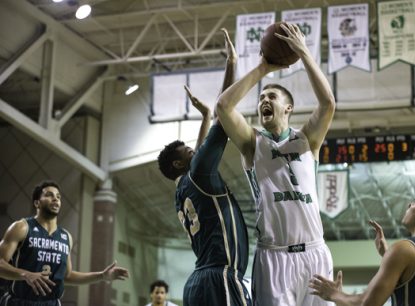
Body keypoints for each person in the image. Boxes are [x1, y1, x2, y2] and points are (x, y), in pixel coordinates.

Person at [216, 22, 336, 306]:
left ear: (288, 108)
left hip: (315, 253)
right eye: (261, 98)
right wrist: (263, 68)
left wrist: (304, 53)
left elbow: (328, 103)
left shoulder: (308, 139)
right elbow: (223, 107)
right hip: (274, 256)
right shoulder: (251, 142)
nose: (263, 101)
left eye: (271, 96)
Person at [157, 29, 251, 306]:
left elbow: (198, 151)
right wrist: (232, 65)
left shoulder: (182, 188)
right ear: (179, 162)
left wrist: (205, 115)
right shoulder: (197, 174)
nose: (194, 150)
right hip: (219, 277)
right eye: (189, 151)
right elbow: (225, 113)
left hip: (199, 281)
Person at [309, 180, 415, 306]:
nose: (410, 204)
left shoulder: (404, 250)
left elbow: (366, 303)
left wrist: (334, 293)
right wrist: (387, 255)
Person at [0, 180, 129, 306]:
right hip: (19, 301)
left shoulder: (66, 237)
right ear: (37, 203)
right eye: (49, 195)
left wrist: (101, 276)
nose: (55, 199)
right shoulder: (21, 227)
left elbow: (66, 276)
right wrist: (25, 274)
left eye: (58, 197)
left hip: (52, 302)